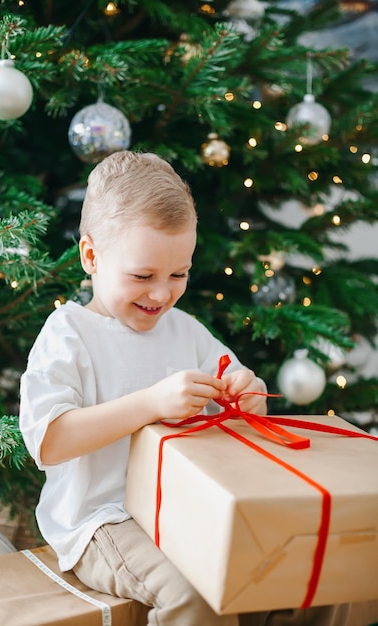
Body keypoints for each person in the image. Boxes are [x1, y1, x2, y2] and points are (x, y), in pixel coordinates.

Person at [19, 151, 350, 626]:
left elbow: (241, 393)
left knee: (293, 570)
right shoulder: (69, 333)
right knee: (196, 594)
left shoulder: (185, 330)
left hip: (188, 509)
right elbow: (48, 442)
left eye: (179, 274)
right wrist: (151, 403)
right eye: (142, 276)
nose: (161, 294)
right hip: (103, 522)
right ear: (91, 257)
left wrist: (248, 390)